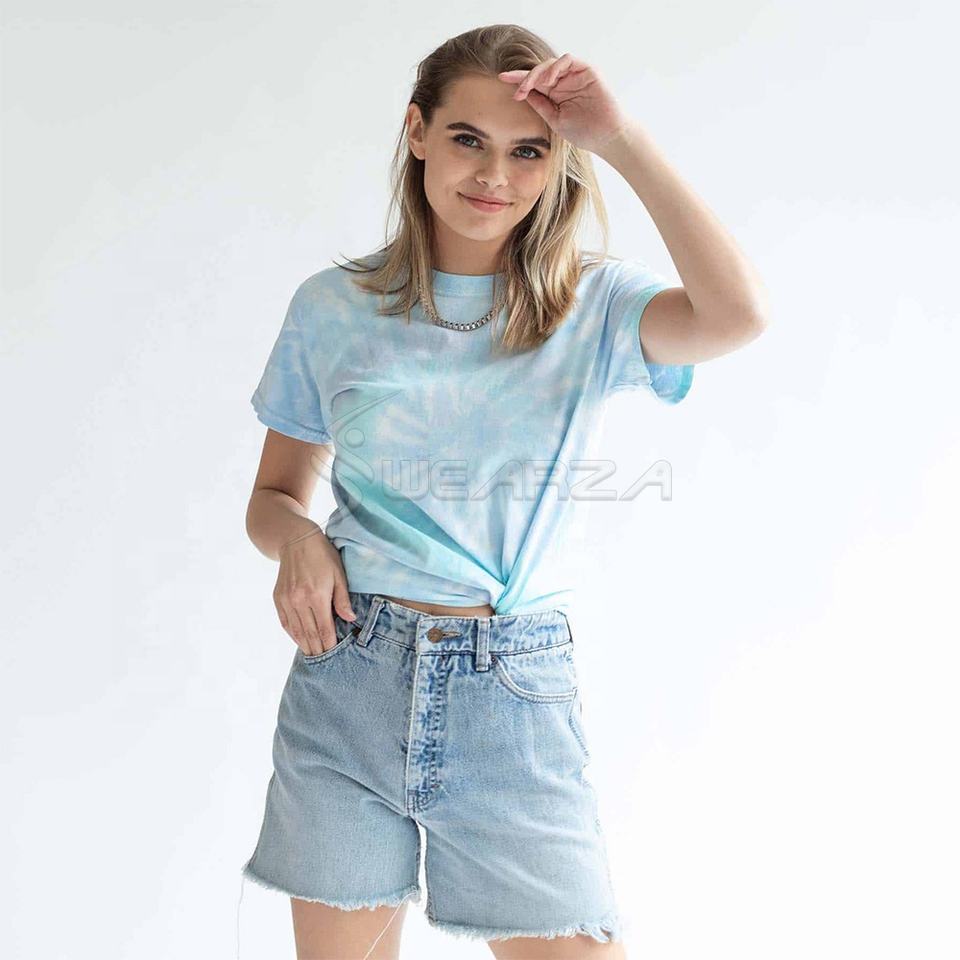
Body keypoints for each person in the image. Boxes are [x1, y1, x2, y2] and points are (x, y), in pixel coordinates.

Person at [237, 23, 769, 960]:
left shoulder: (594, 308)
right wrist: (300, 540)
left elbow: (738, 315)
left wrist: (620, 139)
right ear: (417, 133)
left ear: (558, 163)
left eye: (529, 151)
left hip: (511, 694)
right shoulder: (333, 307)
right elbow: (273, 497)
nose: (495, 175)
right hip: (348, 679)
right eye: (468, 139)